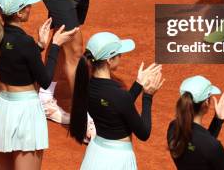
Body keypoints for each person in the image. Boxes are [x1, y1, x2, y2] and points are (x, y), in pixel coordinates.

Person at [0, 0, 77, 170]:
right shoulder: (24, 42)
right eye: (27, 5)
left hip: (4, 108)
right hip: (25, 112)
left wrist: (40, 46)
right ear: (18, 13)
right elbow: (45, 79)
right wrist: (55, 45)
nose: (30, 8)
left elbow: (17, 59)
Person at [69, 31, 164, 169]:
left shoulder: (86, 86)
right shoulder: (118, 95)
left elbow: (115, 106)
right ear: (109, 60)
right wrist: (148, 96)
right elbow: (143, 133)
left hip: (95, 154)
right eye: (118, 54)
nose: (121, 56)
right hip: (119, 160)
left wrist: (138, 84)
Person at [167, 75, 224, 169]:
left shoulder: (173, 128)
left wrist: (217, 121)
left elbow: (197, 147)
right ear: (206, 103)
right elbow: (204, 147)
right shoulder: (212, 145)